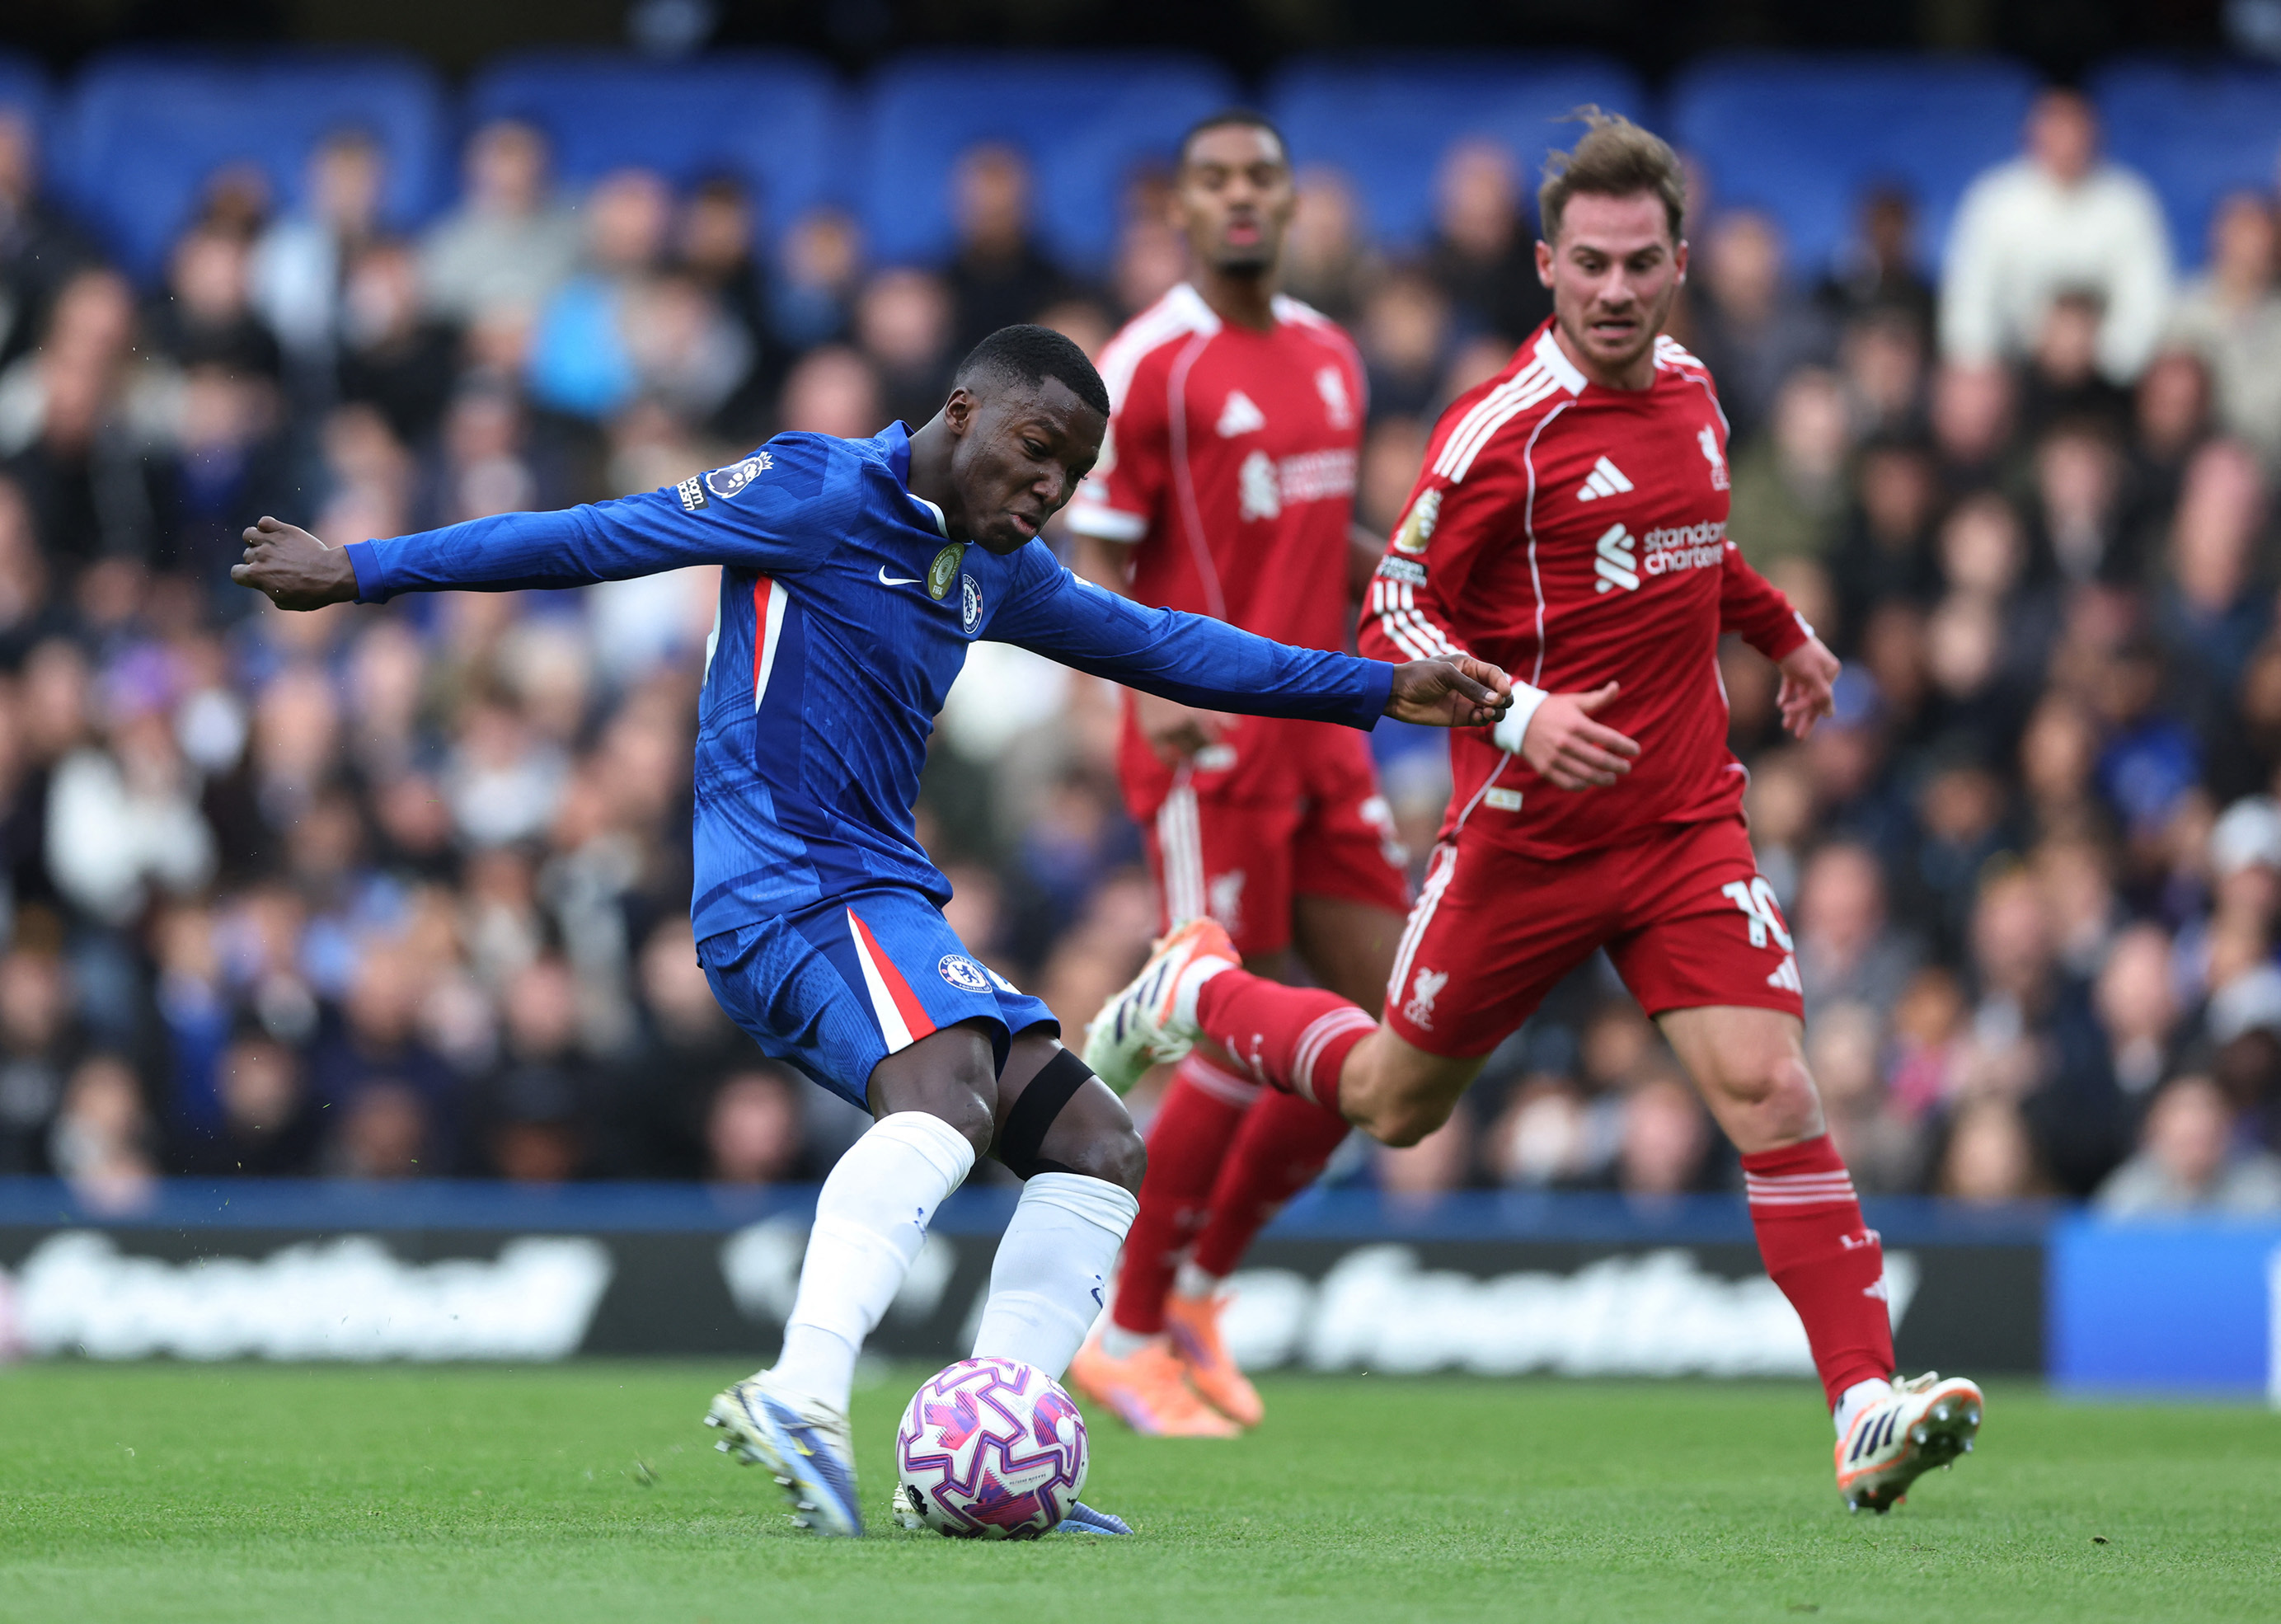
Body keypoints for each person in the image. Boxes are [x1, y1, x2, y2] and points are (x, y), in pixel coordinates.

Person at [229, 322, 1510, 1538]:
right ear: (963, 412)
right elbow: (593, 537)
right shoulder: (814, 492)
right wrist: (362, 569)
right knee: (945, 1098)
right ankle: (798, 1393)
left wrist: (1379, 687)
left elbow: (1162, 645)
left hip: (876, 896)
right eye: (1034, 452)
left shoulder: (993, 566)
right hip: (781, 888)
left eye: (1069, 475)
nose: (1048, 490)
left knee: (1094, 1141)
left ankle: (996, 1444)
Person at [1087, 112, 1986, 1516]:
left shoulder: (1693, 390)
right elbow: (1393, 599)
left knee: (1772, 1088)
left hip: (1684, 822)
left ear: (1678, 261)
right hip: (1525, 835)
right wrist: (1513, 713)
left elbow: (1695, 545)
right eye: (1590, 265)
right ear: (1543, 267)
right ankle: (1201, 991)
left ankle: (1863, 1404)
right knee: (1393, 1100)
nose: (1617, 291)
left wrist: (1783, 633)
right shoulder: (1498, 429)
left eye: (1640, 263)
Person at [1061, 110, 1404, 1438]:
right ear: (1181, 207)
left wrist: (1428, 590)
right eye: (1215, 180)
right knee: (1221, 1001)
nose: (1241, 197)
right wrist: (1138, 687)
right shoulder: (1147, 365)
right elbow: (1085, 552)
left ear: (1292, 198)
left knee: (1405, 1031)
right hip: (1206, 731)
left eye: (1261, 175)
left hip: (1321, 725)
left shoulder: (1326, 350)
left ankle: (1198, 1289)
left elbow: (1319, 530)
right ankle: (1125, 1328)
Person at [1939, 88, 2173, 387]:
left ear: (2096, 133)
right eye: (2054, 125)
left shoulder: (2130, 203)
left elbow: (2147, 303)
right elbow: (1969, 299)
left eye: (2075, 127)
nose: (2066, 140)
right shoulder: (1993, 201)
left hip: (2108, 377)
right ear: (2032, 133)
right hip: (2012, 371)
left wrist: (2105, 361)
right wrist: (1984, 365)